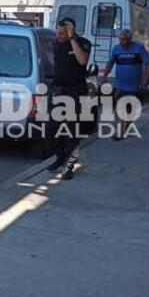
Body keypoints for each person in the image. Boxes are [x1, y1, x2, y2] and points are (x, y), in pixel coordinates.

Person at [47, 17, 92, 180]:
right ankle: (60, 159)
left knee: (71, 131)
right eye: (57, 33)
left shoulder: (83, 43)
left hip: (75, 92)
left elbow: (82, 60)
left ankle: (69, 166)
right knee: (52, 128)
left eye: (62, 33)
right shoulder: (56, 43)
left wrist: (72, 38)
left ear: (71, 32)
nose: (58, 36)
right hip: (58, 90)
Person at [101, 28, 149, 140]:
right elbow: (111, 62)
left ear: (130, 39)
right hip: (120, 85)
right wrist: (105, 75)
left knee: (129, 109)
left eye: (124, 39)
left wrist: (145, 81)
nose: (122, 42)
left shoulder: (138, 48)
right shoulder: (116, 49)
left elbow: (147, 64)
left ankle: (124, 129)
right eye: (120, 39)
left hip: (134, 85)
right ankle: (120, 131)